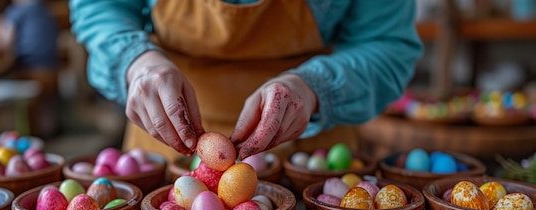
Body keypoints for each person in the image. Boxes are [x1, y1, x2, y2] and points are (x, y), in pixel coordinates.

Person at [69, 0, 423, 161]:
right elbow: (100, 7)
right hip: (167, 153)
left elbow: (387, 43)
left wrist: (314, 86)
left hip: (315, 164)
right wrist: (137, 62)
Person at [0, 0, 60, 138]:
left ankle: (31, 134)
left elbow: (4, 43)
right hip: (53, 68)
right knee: (46, 105)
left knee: (20, 95)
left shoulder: (15, 12)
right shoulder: (44, 9)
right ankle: (50, 129)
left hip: (30, 70)